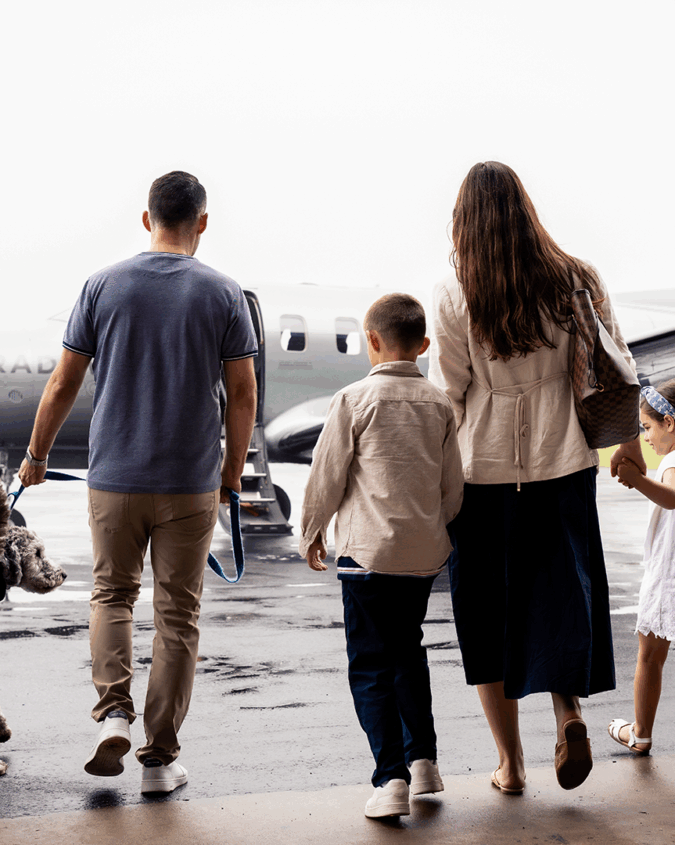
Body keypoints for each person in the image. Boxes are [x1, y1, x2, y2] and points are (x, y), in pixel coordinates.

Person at [17, 171, 258, 793]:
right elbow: (242, 395)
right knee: (178, 614)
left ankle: (112, 715)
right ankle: (159, 759)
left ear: (145, 217)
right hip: (190, 483)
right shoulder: (225, 293)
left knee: (112, 596)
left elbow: (64, 382)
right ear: (201, 222)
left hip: (115, 477)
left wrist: (37, 456)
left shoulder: (103, 285)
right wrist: (230, 475)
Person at [428, 161, 644, 794]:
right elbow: (619, 365)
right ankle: (568, 713)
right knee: (559, 600)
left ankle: (510, 764)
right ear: (525, 207)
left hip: (482, 476)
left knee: (486, 616)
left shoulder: (454, 291)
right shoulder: (577, 277)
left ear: (465, 219)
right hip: (565, 466)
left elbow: (451, 393)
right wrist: (627, 449)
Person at [299, 293, 464, 819]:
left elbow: (327, 476)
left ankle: (390, 778)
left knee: (370, 664)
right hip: (422, 557)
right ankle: (425, 761)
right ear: (424, 345)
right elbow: (453, 489)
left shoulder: (353, 399)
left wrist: (310, 532)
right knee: (408, 650)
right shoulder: (440, 404)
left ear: (371, 341)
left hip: (368, 556)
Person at [608, 381, 675, 755]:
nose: (645, 437)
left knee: (649, 655)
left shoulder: (672, 459)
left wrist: (637, 480)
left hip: (669, 573)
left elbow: (672, 498)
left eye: (647, 428)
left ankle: (641, 733)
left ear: (669, 422)